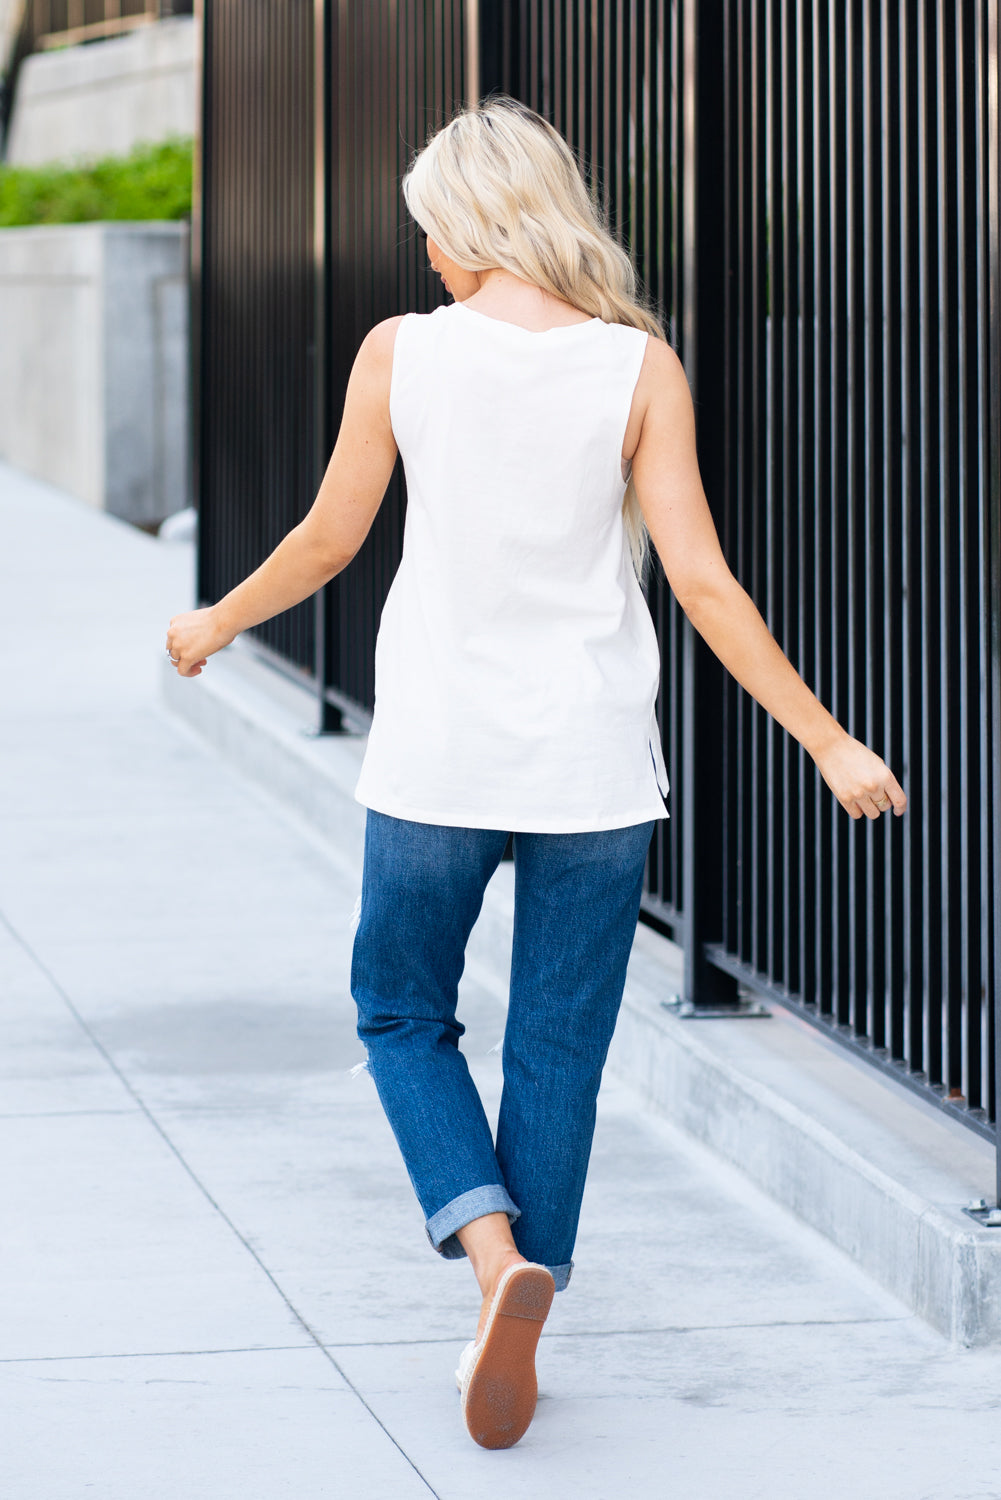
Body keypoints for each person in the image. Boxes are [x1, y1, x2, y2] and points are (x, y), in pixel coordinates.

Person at [166, 97, 906, 1450]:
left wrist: (214, 620)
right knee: (556, 1050)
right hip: (593, 771)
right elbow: (698, 581)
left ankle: (491, 1256)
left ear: (468, 221)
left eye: (429, 234)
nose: (427, 261)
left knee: (398, 1011)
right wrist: (826, 737)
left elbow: (331, 540)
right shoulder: (636, 365)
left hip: (440, 761)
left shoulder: (403, 354)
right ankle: (528, 1292)